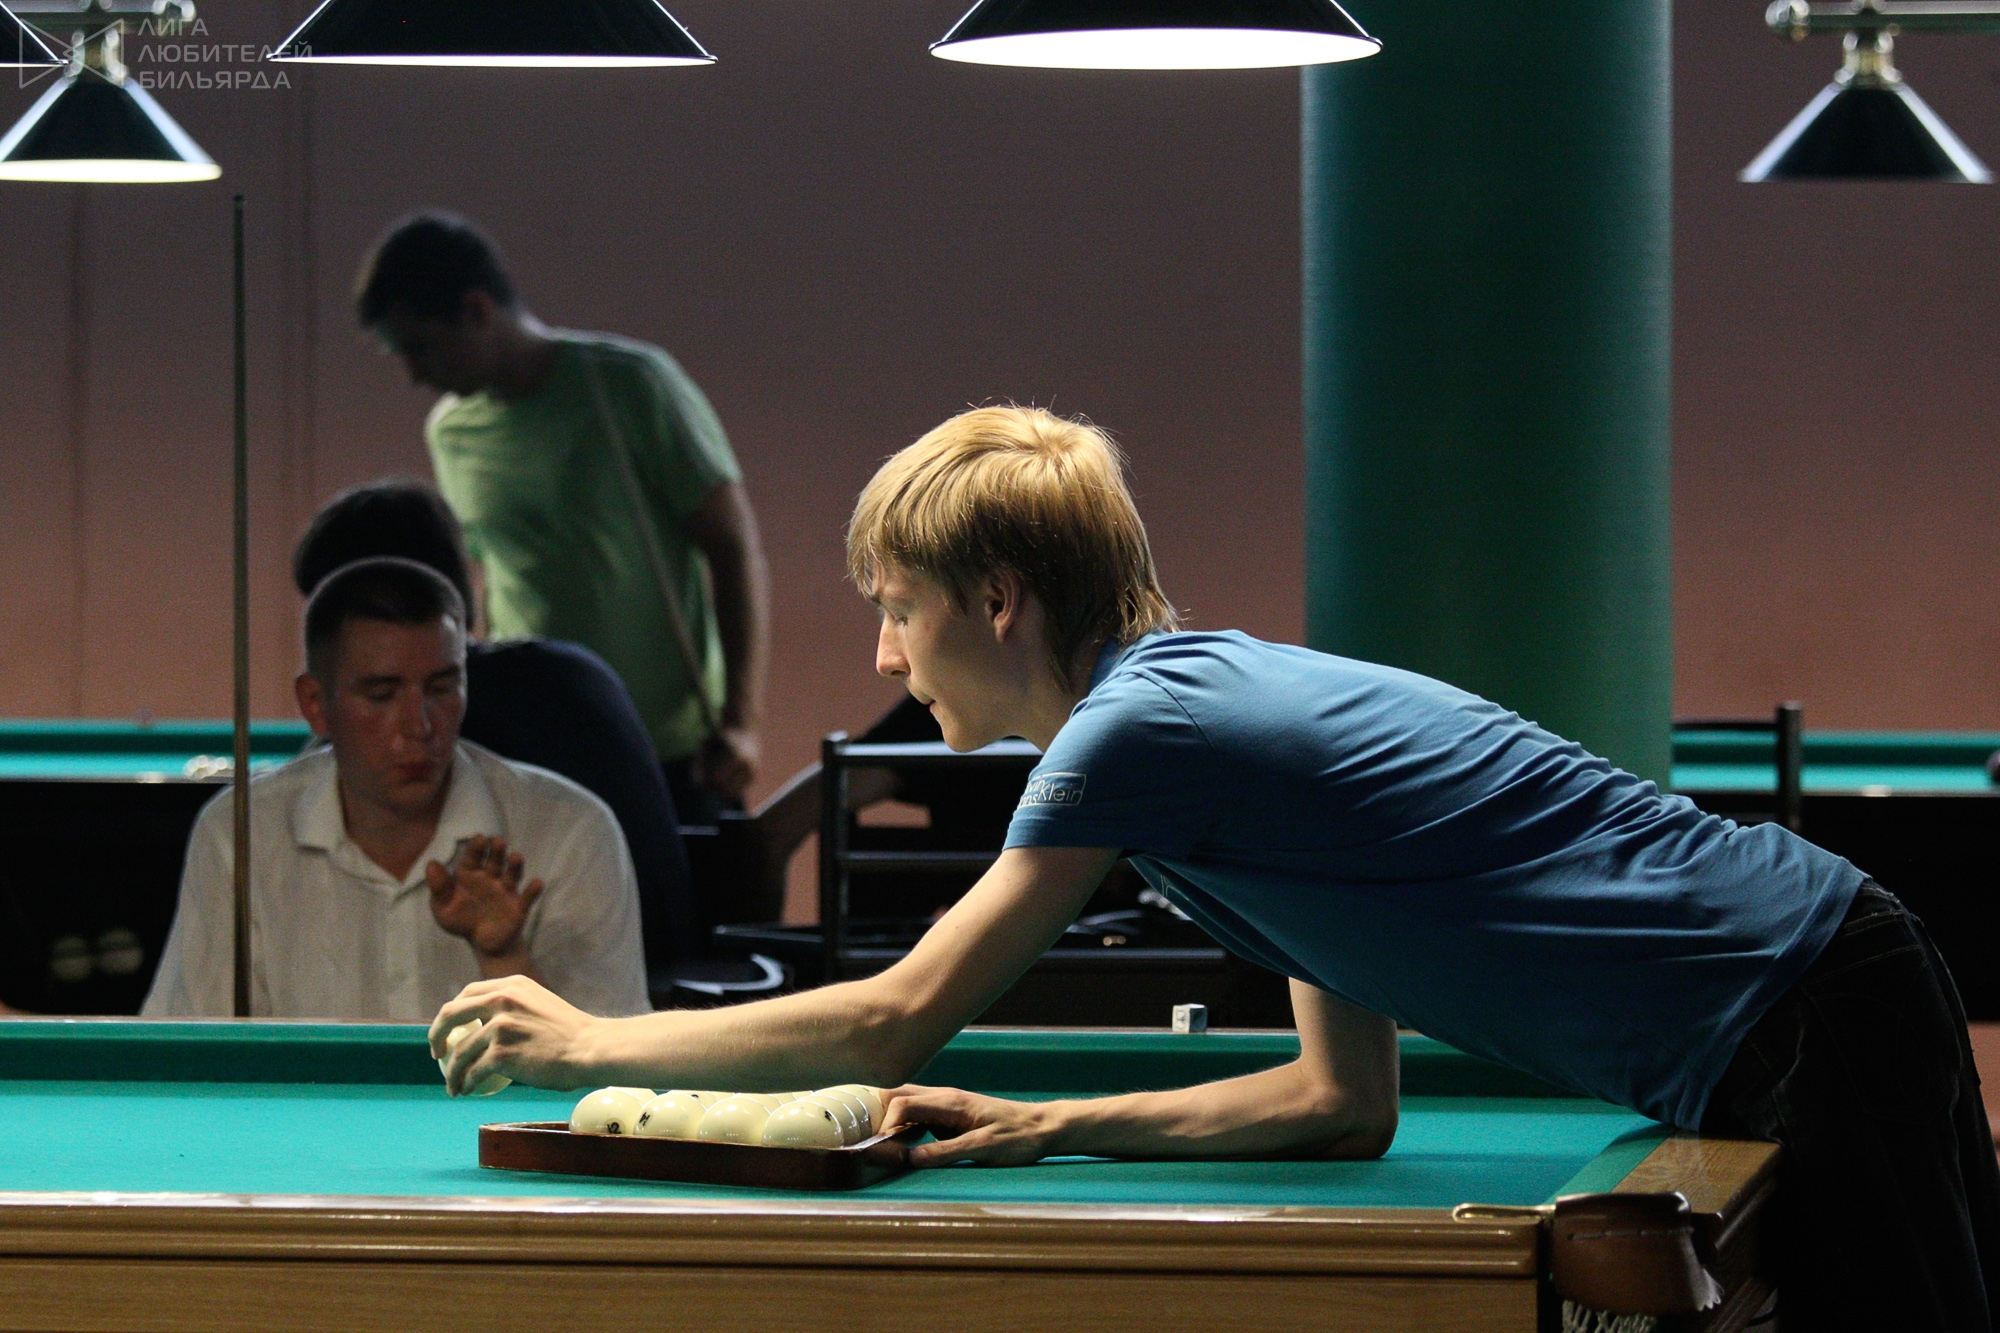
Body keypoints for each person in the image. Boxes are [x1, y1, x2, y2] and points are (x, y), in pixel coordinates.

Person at [430, 406, 2000, 1330]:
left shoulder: (1136, 734)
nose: (888, 657)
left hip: (1806, 1003)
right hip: (1816, 988)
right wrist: (1049, 1126)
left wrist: (587, 1041)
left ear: (998, 598)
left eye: (897, 607)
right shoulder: (1193, 727)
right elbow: (1341, 1101)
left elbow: (895, 1016)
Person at [354, 211, 770, 822]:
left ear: (476, 310)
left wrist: (741, 723)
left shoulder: (631, 385)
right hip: (536, 748)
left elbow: (732, 548)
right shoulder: (450, 432)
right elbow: (493, 579)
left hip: (668, 751)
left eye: (420, 348)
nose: (413, 375)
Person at [145, 558, 648, 1021]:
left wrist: (504, 957)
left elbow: (612, 1072)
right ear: (315, 704)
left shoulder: (572, 831)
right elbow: (186, 1054)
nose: (419, 725)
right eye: (382, 694)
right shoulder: (239, 831)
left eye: (441, 688)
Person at [291, 480, 699, 978]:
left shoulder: (445, 727)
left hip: (606, 990)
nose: (419, 724)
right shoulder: (578, 669)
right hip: (688, 972)